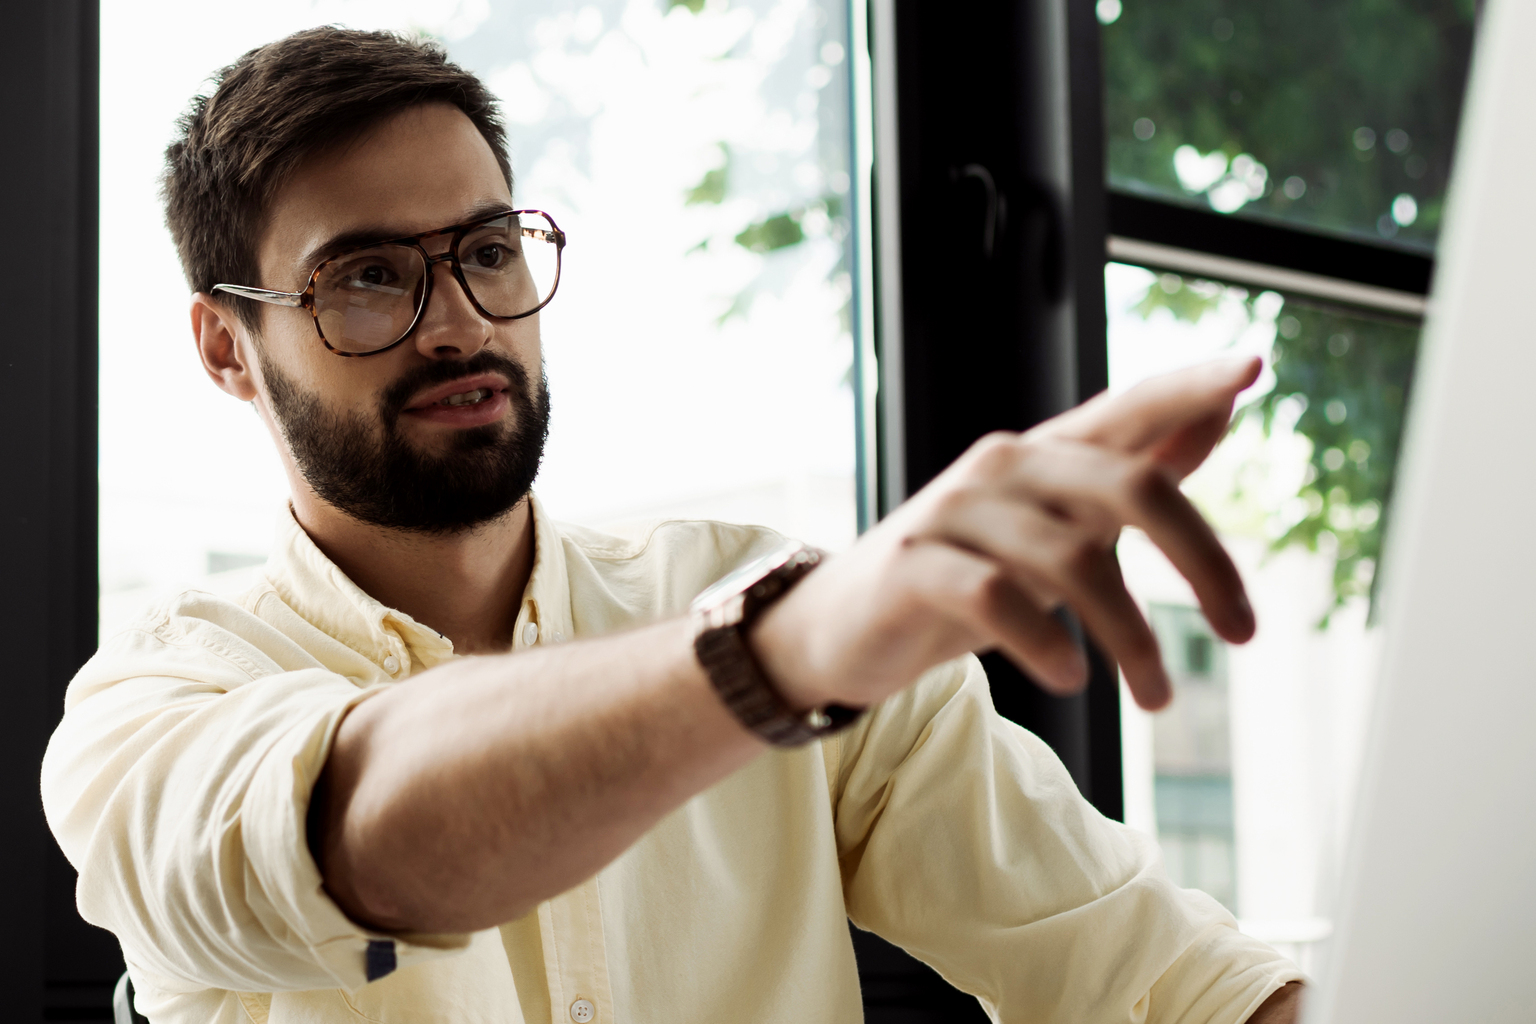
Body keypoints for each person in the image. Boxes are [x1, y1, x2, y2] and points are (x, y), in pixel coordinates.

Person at [42, 26, 1304, 1024]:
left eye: (487, 249)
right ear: (226, 346)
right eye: (368, 276)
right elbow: (363, 838)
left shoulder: (762, 594)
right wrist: (772, 661)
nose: (459, 321)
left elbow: (1162, 982)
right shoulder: (153, 711)